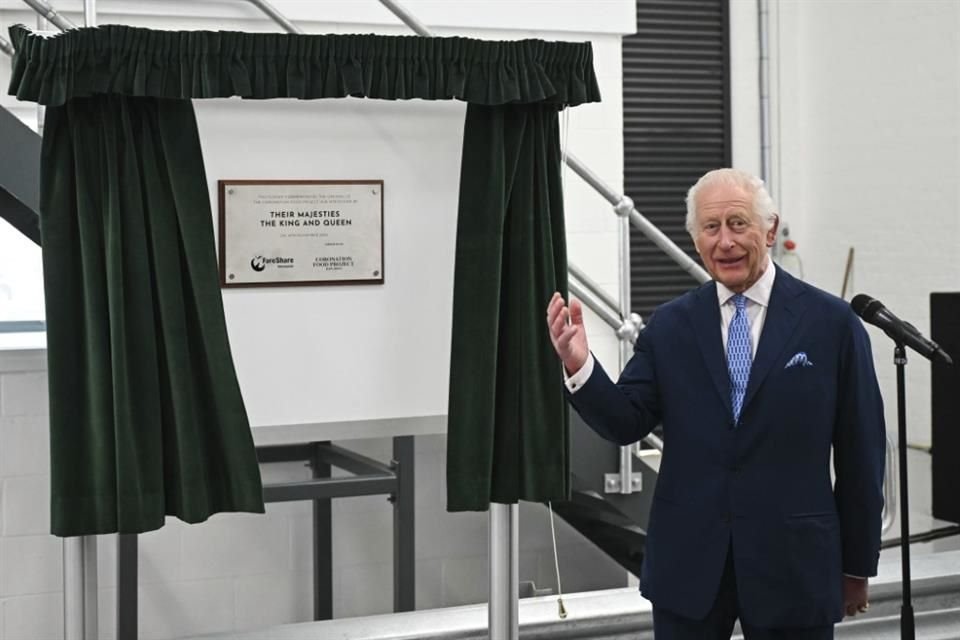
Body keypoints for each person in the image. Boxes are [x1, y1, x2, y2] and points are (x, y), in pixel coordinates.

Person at [546, 168, 885, 639]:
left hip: (795, 567)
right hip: (689, 567)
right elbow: (625, 421)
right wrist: (580, 364)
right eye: (711, 228)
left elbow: (861, 455)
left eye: (738, 223)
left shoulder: (833, 325)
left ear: (769, 229)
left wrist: (857, 563)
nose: (725, 241)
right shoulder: (669, 327)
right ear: (696, 239)